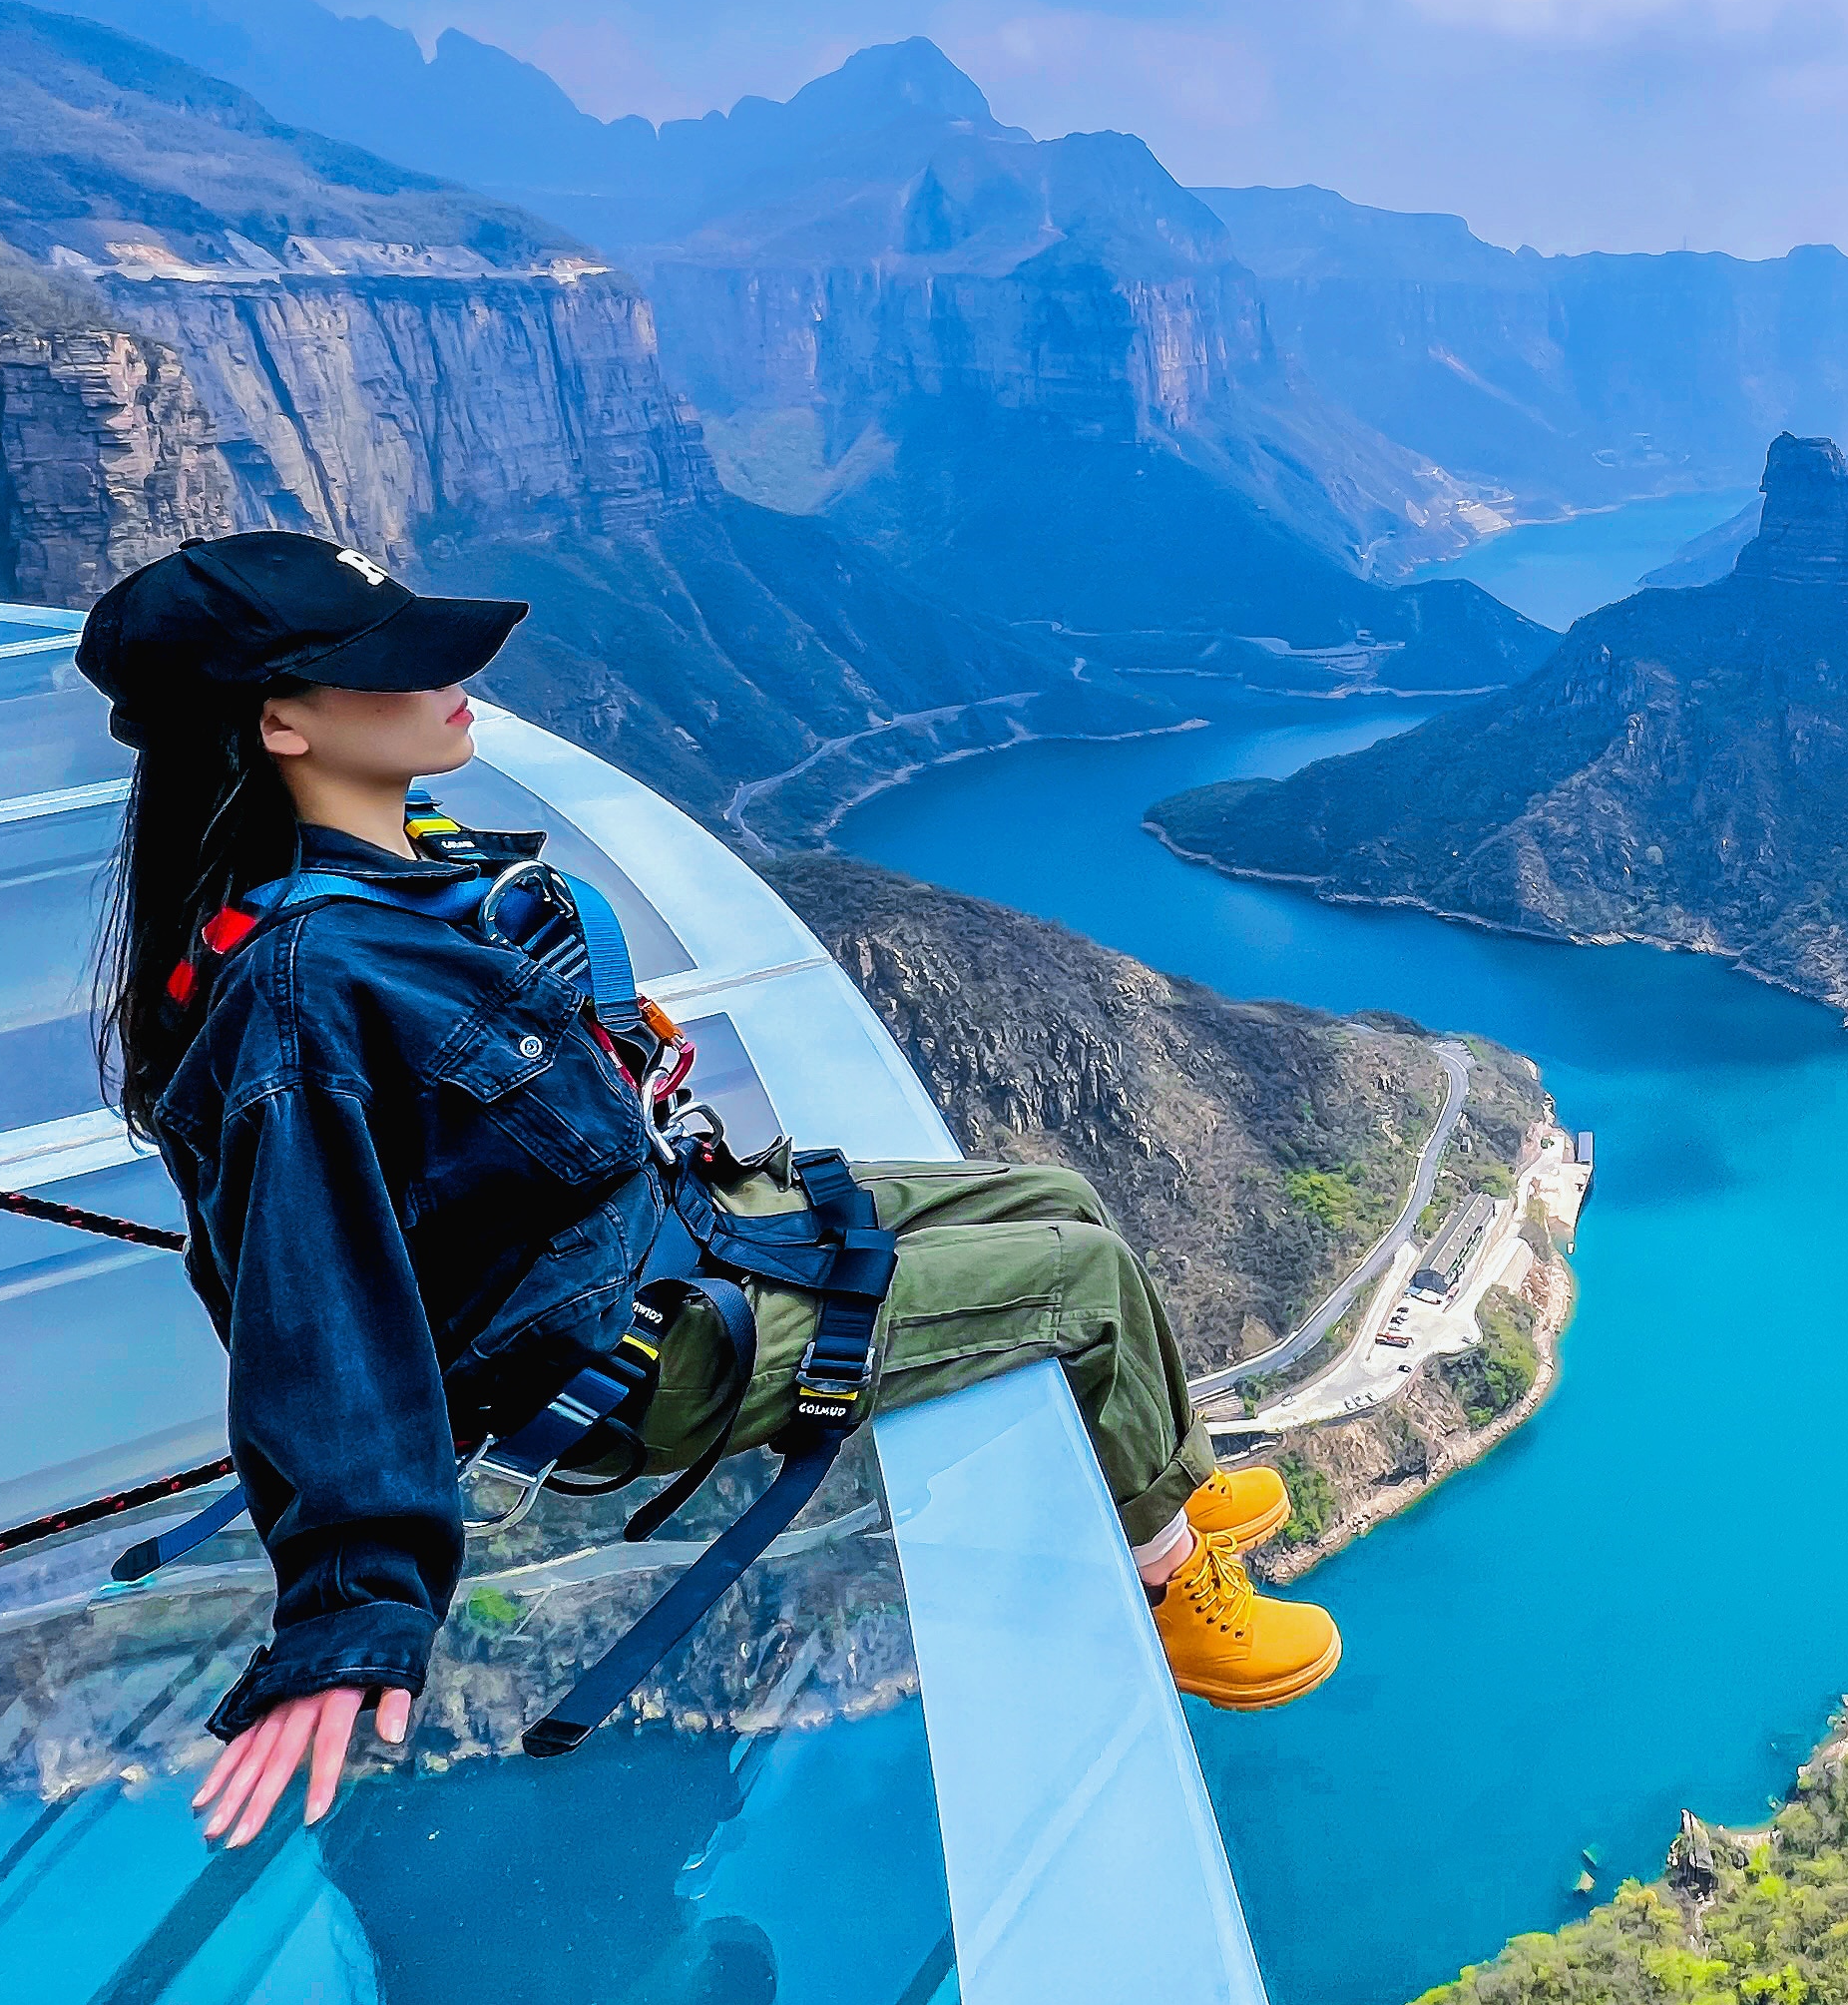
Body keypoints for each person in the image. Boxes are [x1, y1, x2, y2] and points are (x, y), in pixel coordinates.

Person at [79, 530, 1339, 1849]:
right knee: (1077, 1285)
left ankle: (1165, 1466)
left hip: (648, 1239)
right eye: (401, 664)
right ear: (280, 721)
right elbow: (312, 1302)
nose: (458, 682)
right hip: (618, 1358)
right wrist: (351, 1606)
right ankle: (1169, 1580)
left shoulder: (400, 874)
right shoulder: (307, 989)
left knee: (1055, 1203)